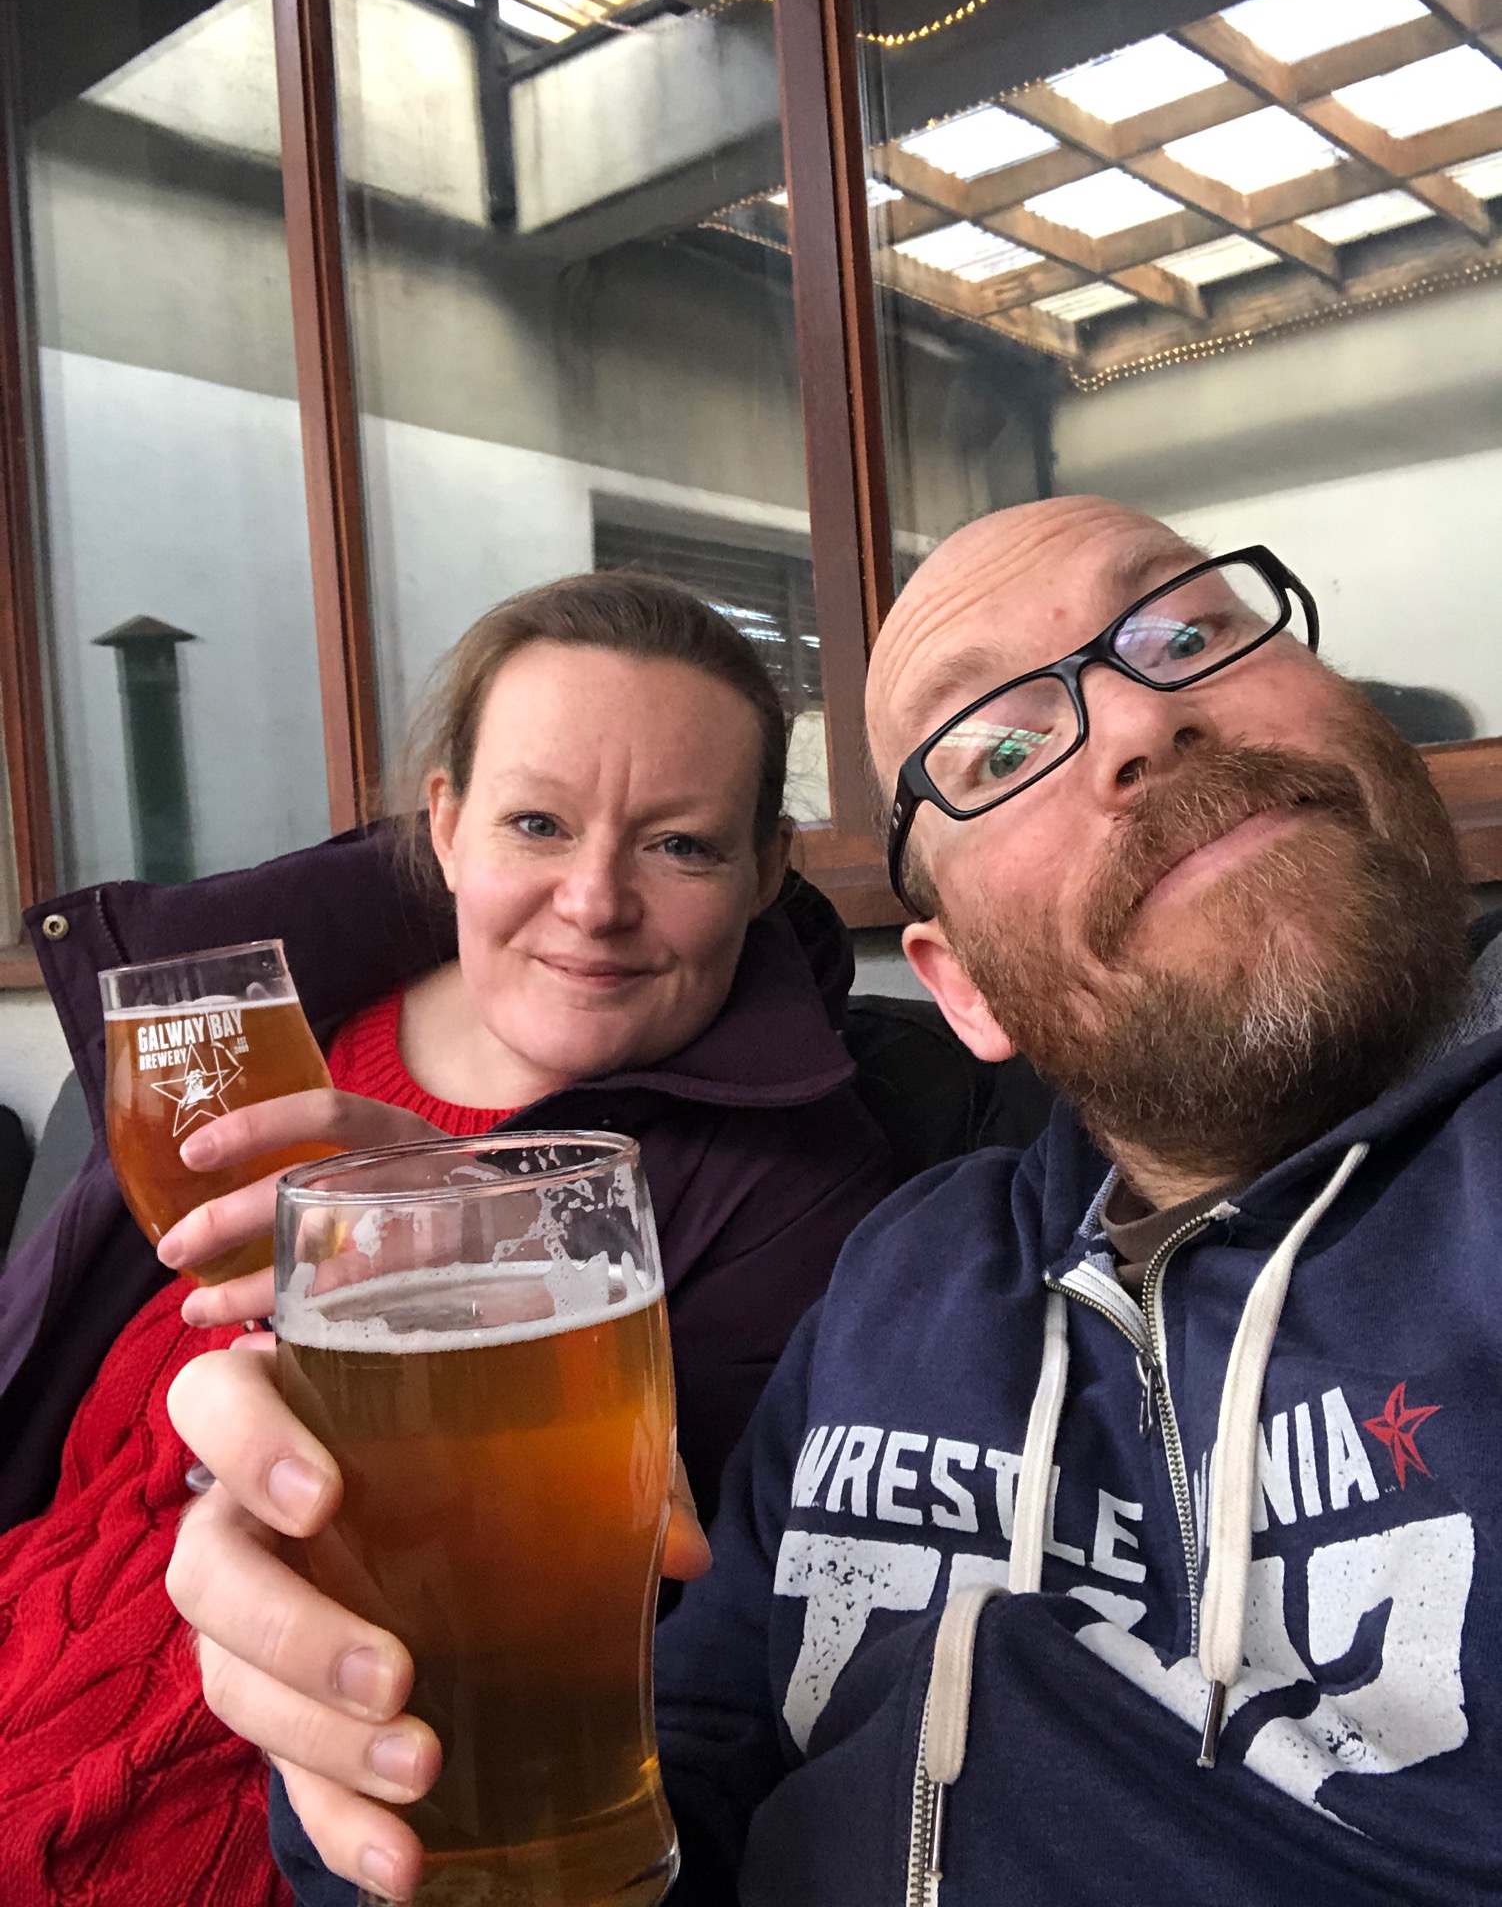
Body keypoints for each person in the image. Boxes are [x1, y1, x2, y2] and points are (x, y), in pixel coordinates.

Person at [167, 496, 1502, 1905]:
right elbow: (674, 1799)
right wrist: (418, 1742)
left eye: (1185, 634)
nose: (1135, 722)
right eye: (998, 746)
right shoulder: (901, 1278)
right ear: (961, 989)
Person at [0, 570, 892, 1906]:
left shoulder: (797, 1190)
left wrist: (473, 1237)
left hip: (245, 1817)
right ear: (446, 821)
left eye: (679, 846)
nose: (593, 899)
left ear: (764, 870)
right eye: (537, 822)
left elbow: (649, 1618)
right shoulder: (243, 1047)